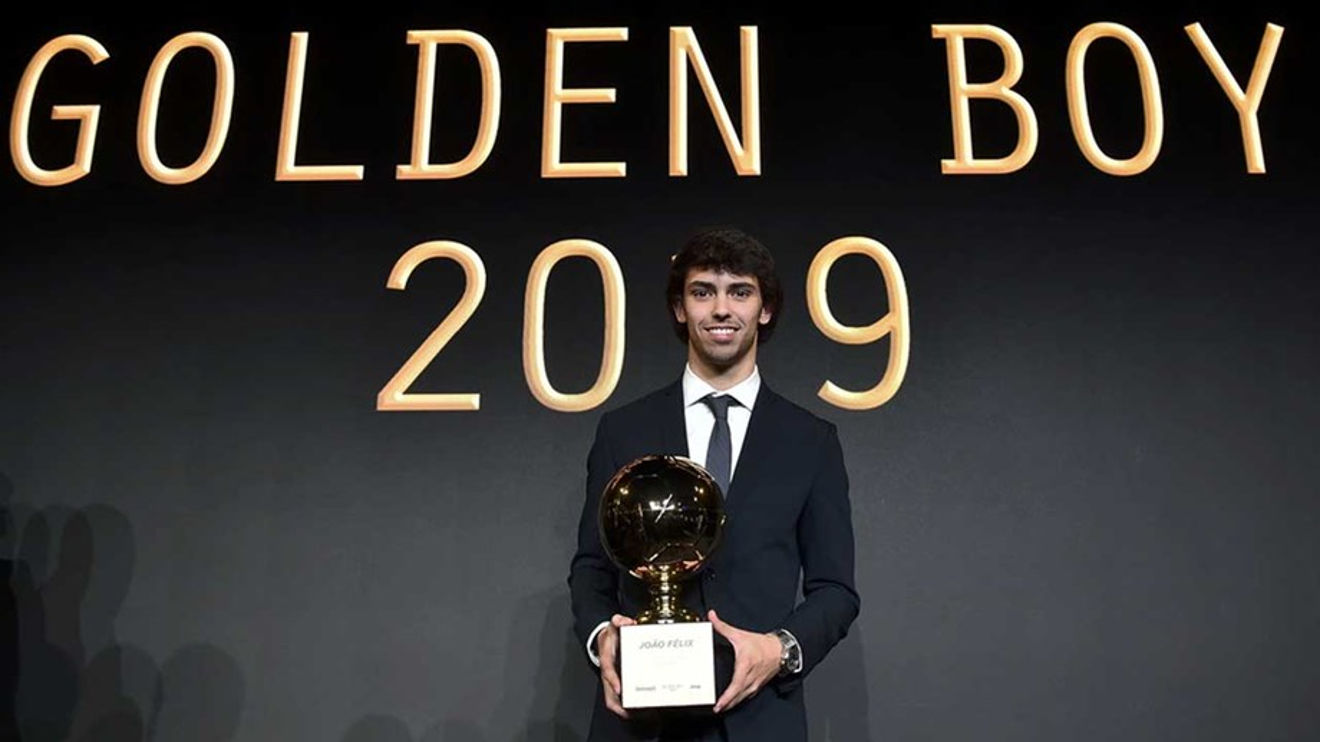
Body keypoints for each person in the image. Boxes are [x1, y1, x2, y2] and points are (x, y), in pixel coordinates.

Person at [568, 228, 859, 741]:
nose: (721, 309)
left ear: (765, 309)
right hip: (641, 721)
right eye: (703, 292)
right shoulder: (623, 431)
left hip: (760, 720)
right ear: (680, 309)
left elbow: (835, 590)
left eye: (740, 292)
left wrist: (778, 648)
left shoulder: (811, 440)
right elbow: (592, 567)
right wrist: (601, 639)